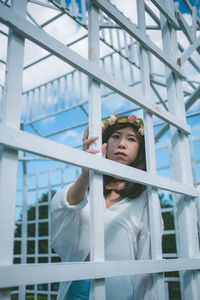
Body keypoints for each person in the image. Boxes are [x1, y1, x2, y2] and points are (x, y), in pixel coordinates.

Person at [50, 113, 163, 300]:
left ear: (140, 149)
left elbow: (148, 256)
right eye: (115, 136)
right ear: (105, 143)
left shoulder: (146, 197)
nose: (122, 144)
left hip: (119, 290)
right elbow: (62, 210)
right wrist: (86, 174)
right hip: (75, 286)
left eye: (131, 139)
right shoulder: (88, 187)